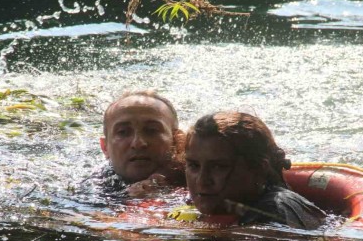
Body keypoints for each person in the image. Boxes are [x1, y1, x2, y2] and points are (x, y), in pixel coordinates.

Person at [183, 112, 326, 229]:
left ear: (259, 169)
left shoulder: (277, 211)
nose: (202, 181)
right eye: (194, 166)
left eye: (219, 167)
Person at [84, 90, 185, 198]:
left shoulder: (195, 180)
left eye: (152, 130)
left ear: (178, 141)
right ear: (105, 147)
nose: (138, 143)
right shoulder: (89, 191)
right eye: (123, 132)